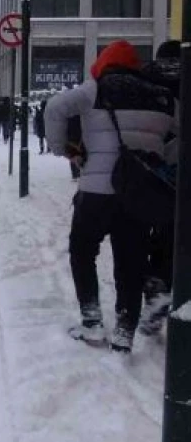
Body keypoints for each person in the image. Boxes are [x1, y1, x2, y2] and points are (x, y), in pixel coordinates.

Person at [44, 40, 177, 353]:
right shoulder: (161, 96)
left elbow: (54, 107)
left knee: (82, 250)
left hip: (96, 190)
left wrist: (62, 148)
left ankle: (91, 321)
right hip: (139, 192)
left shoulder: (95, 89)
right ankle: (125, 330)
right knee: (130, 260)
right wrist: (162, 158)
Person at [139, 40, 181, 335]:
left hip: (151, 165)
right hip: (173, 166)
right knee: (169, 234)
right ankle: (160, 287)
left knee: (150, 232)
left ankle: (156, 288)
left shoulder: (145, 81)